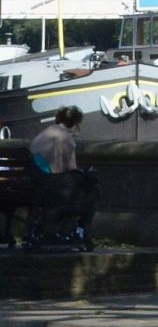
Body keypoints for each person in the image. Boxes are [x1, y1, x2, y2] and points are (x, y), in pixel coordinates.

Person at [29, 103, 94, 250]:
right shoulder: (66, 139)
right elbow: (72, 169)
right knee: (89, 193)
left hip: (34, 182)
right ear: (75, 124)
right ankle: (82, 233)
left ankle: (53, 231)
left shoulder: (47, 132)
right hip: (51, 186)